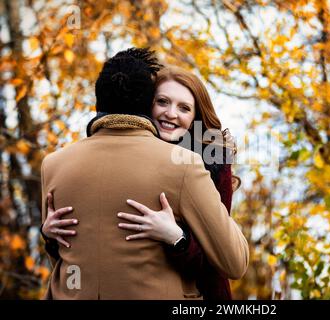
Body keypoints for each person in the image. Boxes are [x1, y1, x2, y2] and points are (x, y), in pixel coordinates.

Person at [40, 48, 249, 299]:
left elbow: (222, 266)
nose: (171, 113)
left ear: (196, 117)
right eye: (162, 102)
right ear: (146, 103)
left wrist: (177, 237)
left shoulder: (204, 165)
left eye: (184, 108)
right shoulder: (180, 165)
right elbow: (72, 254)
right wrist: (48, 235)